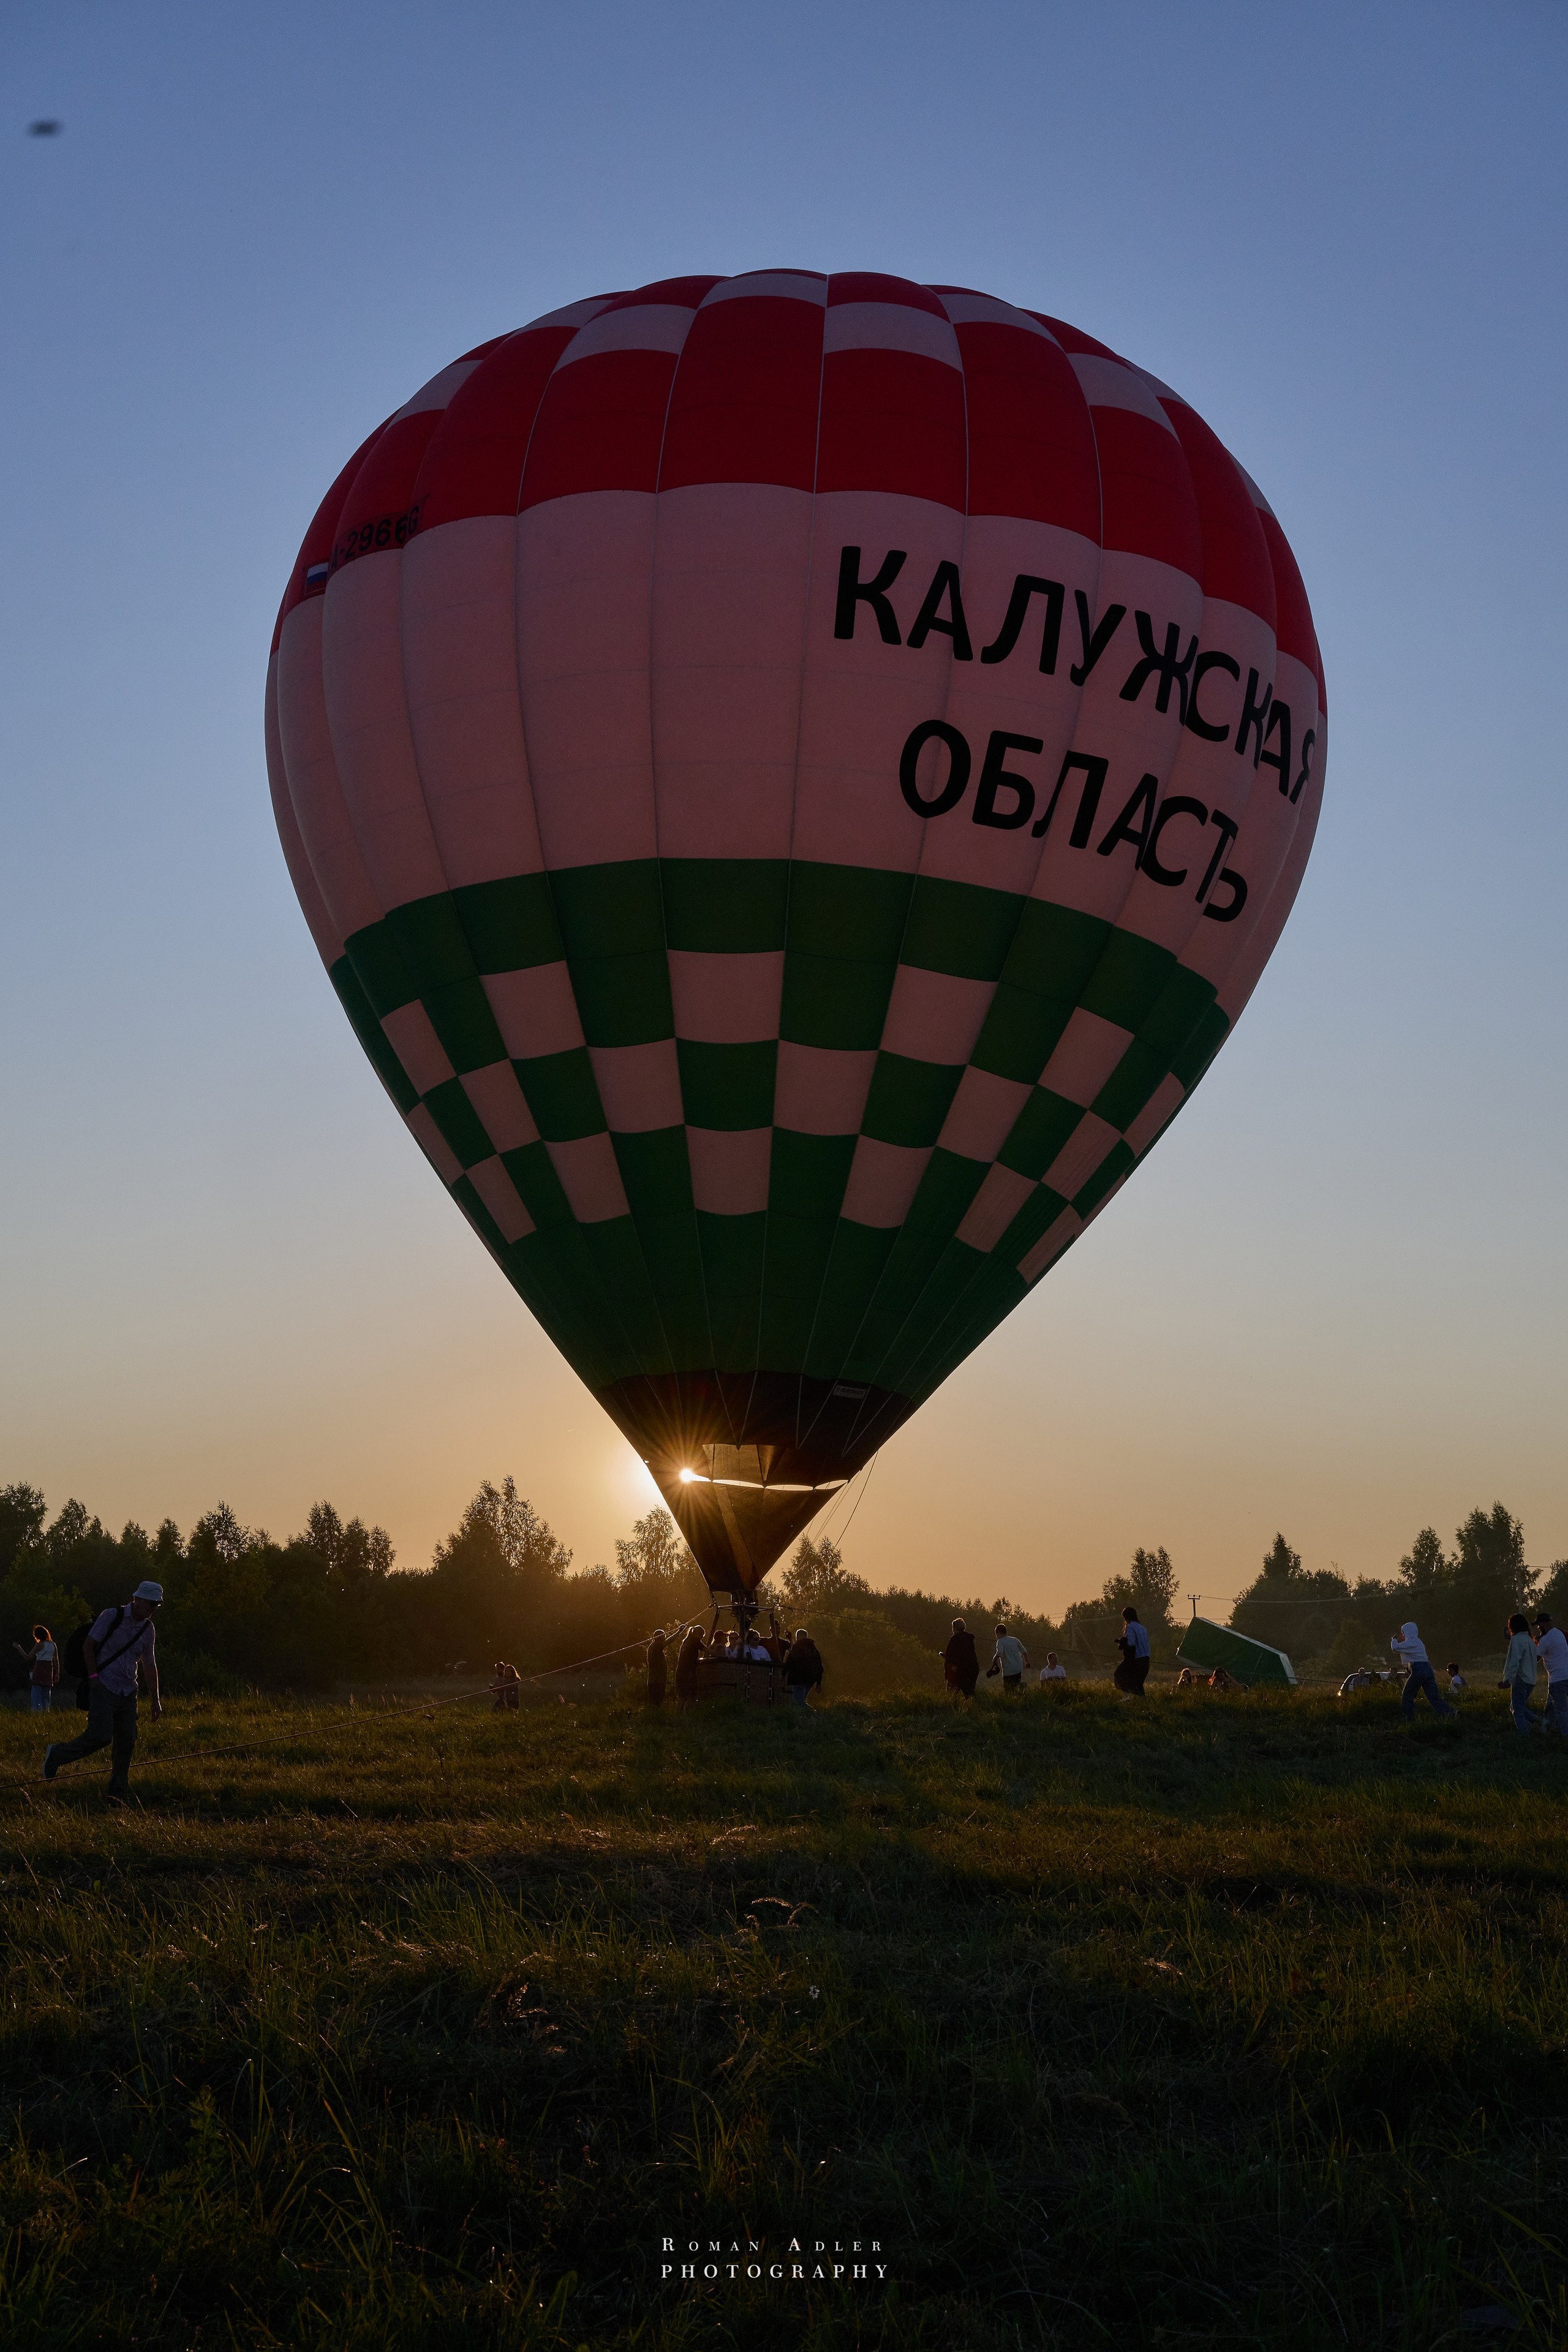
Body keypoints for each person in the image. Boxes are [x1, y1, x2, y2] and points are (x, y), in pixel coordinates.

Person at [43, 1581, 164, 1800]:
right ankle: (57, 1755)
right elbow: (88, 1645)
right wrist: (94, 1679)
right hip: (104, 1687)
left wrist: (156, 1699)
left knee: (127, 1743)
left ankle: (116, 1794)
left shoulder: (148, 1629)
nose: (153, 1609)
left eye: (156, 1606)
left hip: (129, 1692)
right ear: (138, 1600)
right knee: (100, 1736)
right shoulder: (112, 1616)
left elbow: (149, 1663)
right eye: (151, 1604)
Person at [1389, 1622, 1455, 1719]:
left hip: (1419, 1669)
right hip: (1428, 1669)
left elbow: (1395, 1648)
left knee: (1407, 1695)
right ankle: (1451, 1714)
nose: (1403, 1635)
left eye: (1403, 1632)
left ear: (1408, 1632)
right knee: (1433, 1696)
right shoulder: (1419, 1642)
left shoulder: (1411, 1642)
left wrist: (1394, 1640)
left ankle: (1409, 1719)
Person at [1499, 1612, 1538, 1734]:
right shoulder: (1530, 1640)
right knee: (1517, 1707)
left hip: (1521, 1678)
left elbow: (1514, 1661)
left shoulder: (1516, 1640)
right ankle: (1539, 1721)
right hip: (1531, 1680)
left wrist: (1508, 1680)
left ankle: (1525, 1736)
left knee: (1517, 1711)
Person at [1534, 1614, 1568, 1736]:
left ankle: (1565, 1735)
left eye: (1538, 1626)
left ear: (1543, 1624)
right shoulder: (1559, 1633)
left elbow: (1535, 1658)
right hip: (1565, 1675)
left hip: (1557, 1680)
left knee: (1561, 1710)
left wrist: (1533, 1644)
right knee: (1550, 1706)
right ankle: (1550, 1730)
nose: (1538, 1628)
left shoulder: (1546, 1640)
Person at [14, 1624, 59, 1713]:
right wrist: (57, 1673)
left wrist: (18, 1647)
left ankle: (36, 1712)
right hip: (49, 1671)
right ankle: (46, 1712)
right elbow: (56, 1660)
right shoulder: (53, 1645)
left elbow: (28, 1657)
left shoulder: (40, 1645)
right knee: (46, 1695)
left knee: (37, 1694)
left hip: (39, 1670)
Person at [1114, 1607, 1151, 1697]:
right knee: (1139, 1684)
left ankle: (1127, 1697)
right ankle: (1143, 1702)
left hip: (1136, 1659)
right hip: (1146, 1659)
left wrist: (1123, 1643)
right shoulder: (1142, 1627)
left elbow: (1131, 1643)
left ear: (1126, 1617)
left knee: (1119, 1675)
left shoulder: (1130, 1627)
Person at [782, 1627, 823, 1708]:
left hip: (798, 1680)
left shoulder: (797, 1648)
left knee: (799, 1703)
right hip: (810, 1681)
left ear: (797, 1638)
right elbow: (819, 1667)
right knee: (801, 1701)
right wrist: (818, 1683)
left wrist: (783, 1674)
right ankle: (807, 1715)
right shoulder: (814, 1650)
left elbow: (790, 1661)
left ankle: (814, 1713)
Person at [943, 1618, 979, 1697]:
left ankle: (952, 1705)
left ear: (955, 1628)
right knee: (970, 1694)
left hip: (958, 1671)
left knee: (951, 1694)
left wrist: (951, 1666)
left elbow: (950, 1655)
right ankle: (971, 1704)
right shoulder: (970, 1640)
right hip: (971, 1670)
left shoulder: (954, 1640)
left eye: (953, 1628)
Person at [990, 1623, 1029, 1691]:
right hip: (1018, 1666)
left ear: (998, 1633)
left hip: (1008, 1668)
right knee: (1017, 1680)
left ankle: (1015, 1690)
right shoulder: (1015, 1640)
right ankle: (1021, 1683)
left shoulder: (1000, 1641)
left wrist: (995, 1658)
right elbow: (1024, 1652)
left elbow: (1000, 1652)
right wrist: (1027, 1662)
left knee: (1008, 1687)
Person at [674, 1623, 705, 1708]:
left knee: (682, 1697)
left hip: (680, 1672)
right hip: (689, 1673)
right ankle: (689, 1714)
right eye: (702, 1636)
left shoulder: (686, 1641)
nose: (702, 1638)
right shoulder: (696, 1641)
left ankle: (678, 1715)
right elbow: (707, 1650)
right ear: (699, 1634)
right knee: (691, 1696)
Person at [645, 1629, 668, 1706]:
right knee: (657, 1703)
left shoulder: (653, 1647)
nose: (665, 1638)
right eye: (664, 1637)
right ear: (660, 1638)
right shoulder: (656, 1646)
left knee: (655, 1704)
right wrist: (679, 1631)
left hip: (655, 1681)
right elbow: (669, 1642)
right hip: (657, 1681)